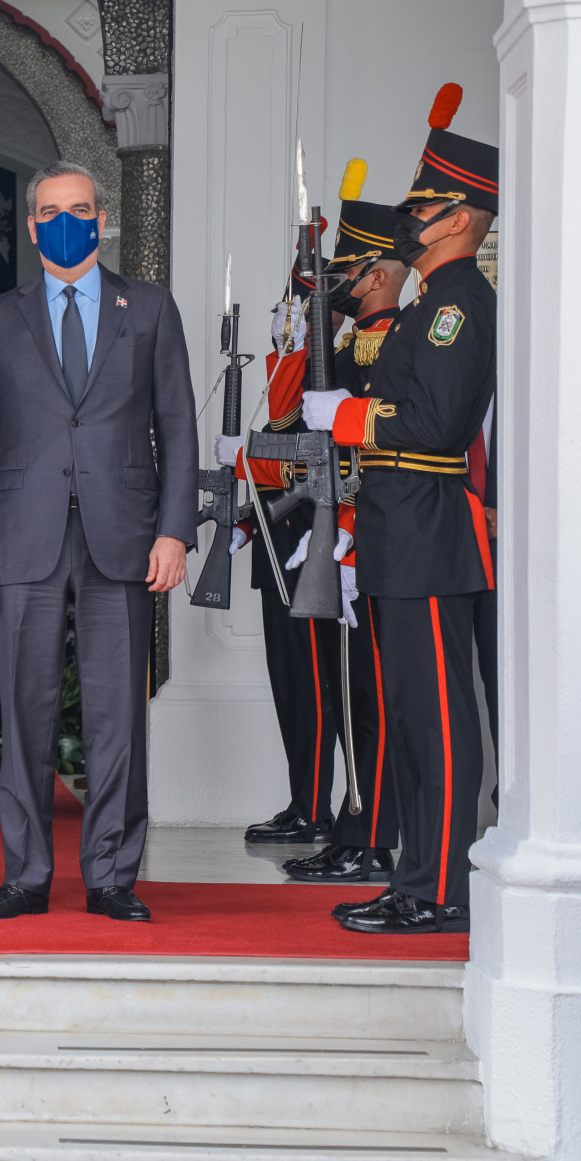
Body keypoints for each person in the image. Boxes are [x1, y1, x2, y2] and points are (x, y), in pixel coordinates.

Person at [0, 159, 198, 924]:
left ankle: (112, 876)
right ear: (32, 227)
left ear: (102, 219)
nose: (68, 222)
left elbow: (178, 427)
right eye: (52, 212)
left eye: (81, 210)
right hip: (21, 539)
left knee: (117, 713)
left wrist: (175, 530)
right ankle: (26, 876)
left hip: (123, 535)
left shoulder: (148, 308)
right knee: (24, 711)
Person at [304, 85, 497, 935]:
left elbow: (437, 424)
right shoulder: (427, 305)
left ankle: (442, 887)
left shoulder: (457, 306)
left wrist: (348, 417)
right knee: (412, 723)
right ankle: (417, 876)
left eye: (422, 208)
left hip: (428, 528)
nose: (409, 221)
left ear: (460, 218)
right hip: (398, 528)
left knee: (438, 720)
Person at [279, 178, 412, 886]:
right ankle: (355, 827)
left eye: (350, 271)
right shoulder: (354, 344)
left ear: (379, 273)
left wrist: (349, 530)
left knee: (373, 701)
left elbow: (387, 454)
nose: (339, 283)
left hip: (376, 542)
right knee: (353, 694)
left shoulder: (394, 342)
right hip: (350, 537)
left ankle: (372, 835)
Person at [226, 255, 344, 847]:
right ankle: (305, 802)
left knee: (317, 686)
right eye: (282, 310)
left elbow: (309, 466)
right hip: (277, 550)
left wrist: (245, 458)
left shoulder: (331, 375)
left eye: (296, 311)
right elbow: (278, 468)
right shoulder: (283, 380)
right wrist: (249, 520)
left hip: (313, 553)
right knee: (290, 684)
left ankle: (321, 808)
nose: (284, 321)